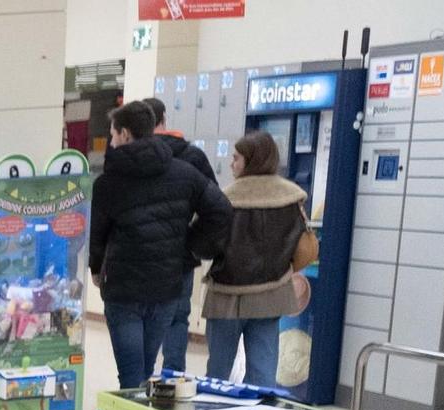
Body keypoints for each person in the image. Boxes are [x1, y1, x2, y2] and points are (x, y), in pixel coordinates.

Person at [89, 100, 232, 390]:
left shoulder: (108, 183)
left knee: (131, 375)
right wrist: (190, 246)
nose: (113, 141)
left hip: (123, 291)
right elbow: (221, 210)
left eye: (114, 134)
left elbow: (99, 235)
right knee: (146, 368)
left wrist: (96, 267)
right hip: (166, 287)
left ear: (126, 134)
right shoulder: (184, 172)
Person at [202, 131, 308, 388]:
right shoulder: (292, 198)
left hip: (228, 297)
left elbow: (204, 245)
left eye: (236, 158)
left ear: (251, 161)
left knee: (218, 373)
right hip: (271, 296)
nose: (231, 163)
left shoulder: (224, 198)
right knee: (263, 374)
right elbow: (303, 246)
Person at [141, 97, 218, 377]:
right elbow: (216, 206)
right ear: (164, 120)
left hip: (139, 255)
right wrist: (195, 241)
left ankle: (139, 379)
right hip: (180, 253)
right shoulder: (192, 156)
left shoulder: (131, 157)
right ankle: (172, 378)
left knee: (139, 317)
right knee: (176, 317)